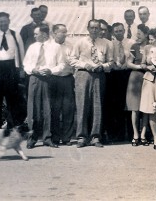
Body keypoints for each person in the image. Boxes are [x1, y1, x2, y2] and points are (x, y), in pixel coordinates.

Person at [69, 20, 113, 148]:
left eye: (97, 28)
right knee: (82, 105)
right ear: (87, 28)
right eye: (92, 28)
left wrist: (102, 66)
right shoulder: (80, 42)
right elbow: (72, 60)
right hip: (83, 74)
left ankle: (95, 137)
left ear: (100, 30)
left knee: (97, 105)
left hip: (99, 75)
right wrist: (85, 65)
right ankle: (82, 137)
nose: (94, 30)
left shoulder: (106, 43)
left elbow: (111, 61)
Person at [24, 24, 61, 148]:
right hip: (35, 78)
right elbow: (26, 64)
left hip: (49, 79)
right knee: (33, 110)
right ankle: (32, 138)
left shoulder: (56, 47)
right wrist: (33, 70)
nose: (34, 36)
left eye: (36, 33)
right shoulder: (32, 47)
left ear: (44, 34)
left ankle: (47, 138)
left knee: (48, 109)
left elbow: (62, 65)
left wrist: (51, 70)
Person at [0, 12, 25, 128]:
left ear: (9, 21)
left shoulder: (15, 35)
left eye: (5, 21)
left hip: (11, 69)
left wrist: (21, 69)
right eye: (0, 21)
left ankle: (12, 126)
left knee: (12, 99)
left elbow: (21, 53)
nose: (3, 23)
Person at [103, 22, 134, 142]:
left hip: (127, 74)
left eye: (120, 31)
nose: (119, 33)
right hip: (114, 75)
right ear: (113, 33)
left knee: (128, 104)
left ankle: (130, 134)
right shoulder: (110, 44)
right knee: (115, 105)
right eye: (116, 31)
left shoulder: (131, 43)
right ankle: (117, 134)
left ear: (124, 31)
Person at [49, 24, 76, 146]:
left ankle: (67, 137)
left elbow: (74, 62)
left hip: (67, 79)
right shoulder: (49, 46)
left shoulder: (70, 46)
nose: (65, 34)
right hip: (54, 80)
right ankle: (55, 137)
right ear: (54, 33)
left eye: (66, 32)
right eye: (62, 32)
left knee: (68, 109)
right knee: (55, 109)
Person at [126, 24, 150, 146]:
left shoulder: (151, 47)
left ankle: (143, 134)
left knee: (146, 108)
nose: (137, 36)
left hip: (148, 78)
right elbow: (128, 63)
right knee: (134, 108)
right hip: (135, 77)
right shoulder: (134, 46)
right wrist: (140, 66)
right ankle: (135, 134)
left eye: (139, 34)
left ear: (146, 35)